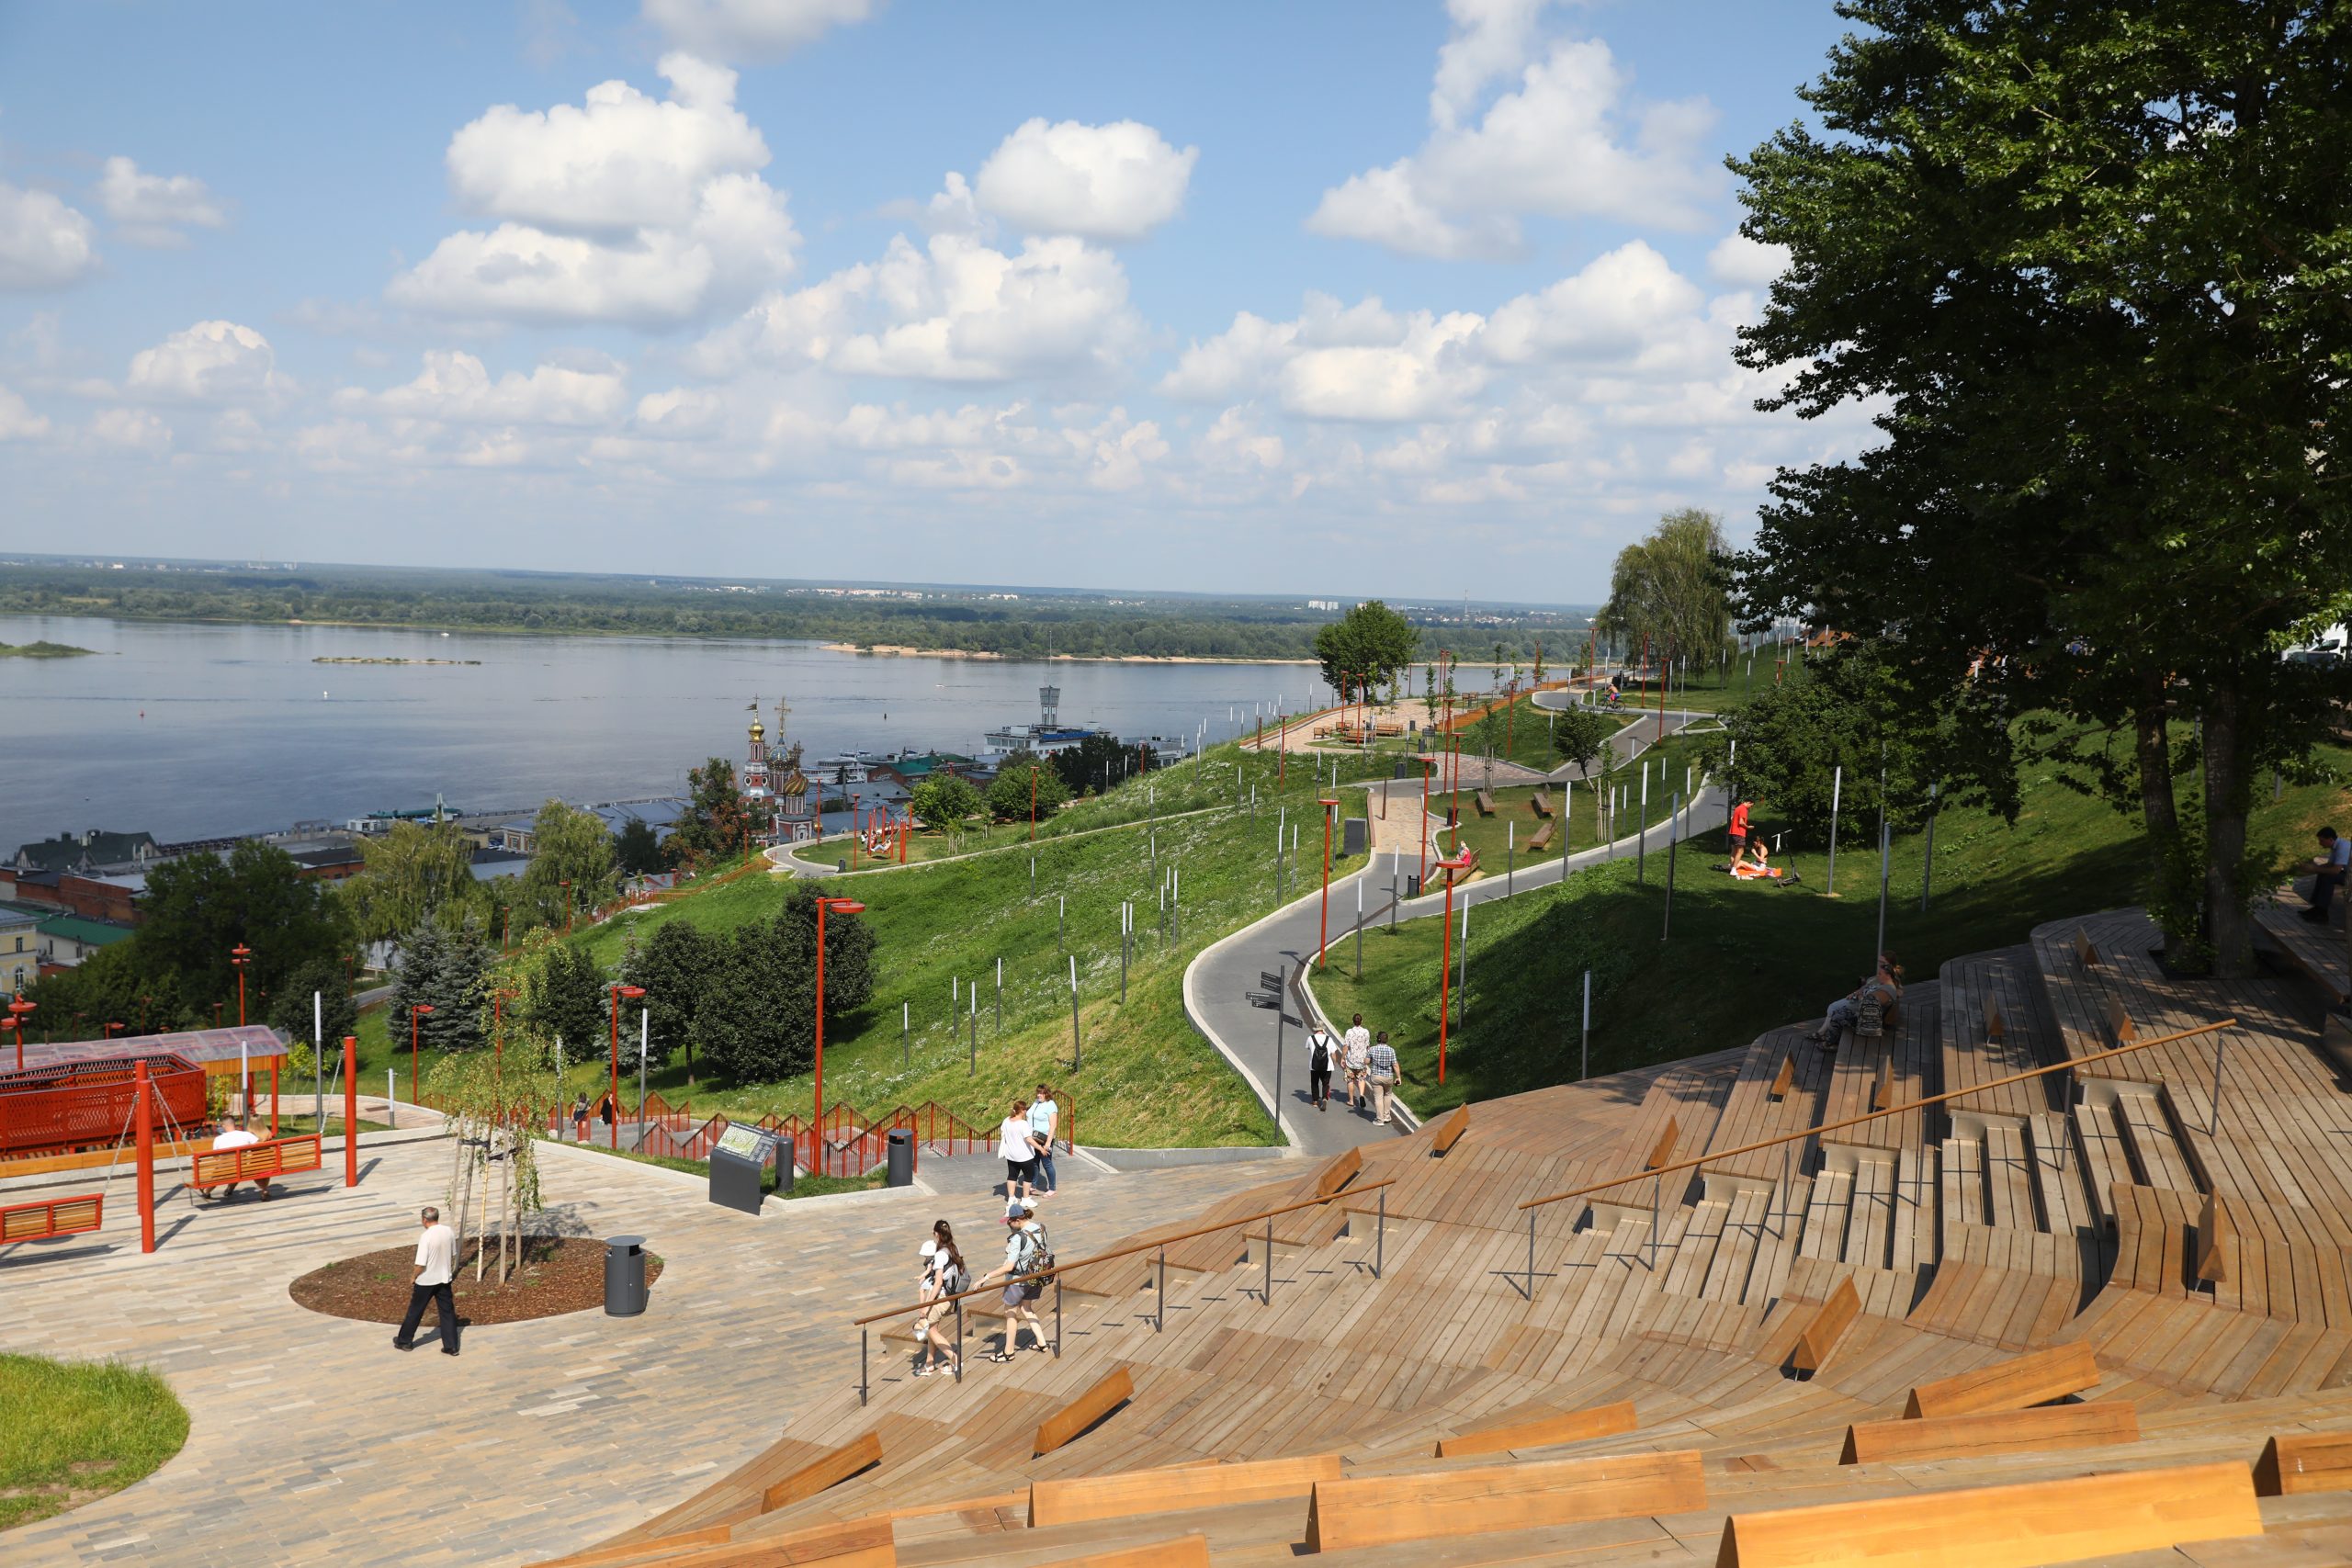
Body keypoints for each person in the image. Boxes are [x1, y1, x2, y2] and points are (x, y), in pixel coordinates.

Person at [975, 1199, 1051, 1360]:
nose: (1008, 1224)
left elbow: (1009, 1267)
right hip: (1036, 1277)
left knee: (1010, 1313)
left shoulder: (1018, 1238)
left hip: (1018, 1281)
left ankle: (1008, 1352)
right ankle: (1042, 1343)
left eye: (1010, 1221)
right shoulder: (1041, 1228)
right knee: (1027, 1308)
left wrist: (986, 1277)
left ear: (1018, 1220)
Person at [392, 1205, 461, 1356]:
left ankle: (405, 1341)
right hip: (444, 1279)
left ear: (424, 1220)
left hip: (426, 1281)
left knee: (415, 1311)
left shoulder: (426, 1236)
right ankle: (451, 1346)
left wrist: (413, 1276)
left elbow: (420, 1264)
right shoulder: (448, 1231)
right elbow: (453, 1253)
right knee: (447, 1312)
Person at [1808, 954, 1904, 1050]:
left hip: (1867, 1019)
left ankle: (1831, 1043)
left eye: (1880, 974)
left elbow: (1869, 1005)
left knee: (1837, 1015)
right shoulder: (1884, 984)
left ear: (1888, 976)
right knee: (1837, 1013)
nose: (1877, 976)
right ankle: (1830, 1040)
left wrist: (1860, 996)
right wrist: (1858, 993)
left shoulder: (1887, 991)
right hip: (1862, 1011)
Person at [913, 1219, 966, 1378]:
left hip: (941, 1298)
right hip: (952, 1296)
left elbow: (937, 1283)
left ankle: (956, 1361)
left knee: (929, 1329)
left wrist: (926, 1306)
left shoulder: (940, 1255)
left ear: (936, 1234)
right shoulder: (954, 1248)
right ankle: (929, 1364)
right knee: (932, 1330)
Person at [209, 1115, 269, 1201]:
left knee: (218, 1173)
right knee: (239, 1169)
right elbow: (260, 1146)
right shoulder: (246, 1135)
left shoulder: (218, 1139)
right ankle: (264, 1189)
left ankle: (207, 1192)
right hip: (242, 1168)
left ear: (223, 1126)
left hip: (225, 1169)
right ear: (234, 1124)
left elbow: (215, 1158)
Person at [2305, 827, 2351, 924]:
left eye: (2322, 841)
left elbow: (2335, 870)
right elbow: (2330, 865)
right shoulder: (2336, 845)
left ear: (2330, 839)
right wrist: (2312, 868)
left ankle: (2322, 914)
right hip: (2349, 874)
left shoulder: (2343, 847)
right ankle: (2317, 908)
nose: (2320, 843)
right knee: (2323, 874)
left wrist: (2314, 869)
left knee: (2329, 878)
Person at [997, 1098, 1036, 1201]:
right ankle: (1026, 1198)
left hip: (1011, 1155)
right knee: (1028, 1177)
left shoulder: (1006, 1120)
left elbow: (1003, 1132)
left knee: (1012, 1176)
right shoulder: (1023, 1124)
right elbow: (1029, 1139)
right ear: (1022, 1111)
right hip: (1024, 1156)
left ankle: (1011, 1198)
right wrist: (1041, 1148)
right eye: (1025, 1109)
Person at [1027, 1084, 1059, 1198]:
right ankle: (1034, 1185)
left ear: (1047, 1093)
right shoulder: (1036, 1103)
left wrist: (1047, 1143)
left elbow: (1053, 1125)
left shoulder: (1051, 1105)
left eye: (1041, 1093)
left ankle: (1052, 1188)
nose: (1038, 1095)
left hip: (1044, 1138)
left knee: (1047, 1163)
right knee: (1034, 1163)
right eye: (1038, 1092)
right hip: (1033, 1137)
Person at [1367, 1032, 1400, 1125]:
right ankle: (1387, 1116)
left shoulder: (1372, 1049)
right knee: (1388, 1095)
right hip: (1388, 1077)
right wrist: (1398, 1078)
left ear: (1378, 1039)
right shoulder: (1391, 1050)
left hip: (1376, 1077)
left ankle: (1380, 1120)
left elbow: (1366, 1061)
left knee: (1378, 1098)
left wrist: (1369, 1055)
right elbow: (1395, 1065)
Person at [1341, 1015, 1373, 1111]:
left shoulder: (1349, 1032)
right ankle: (1362, 1095)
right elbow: (1368, 1046)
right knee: (1361, 1079)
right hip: (1362, 1061)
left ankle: (1351, 1100)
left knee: (1350, 1080)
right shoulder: (1366, 1032)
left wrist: (1343, 1058)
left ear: (1353, 1021)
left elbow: (1346, 1046)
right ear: (1361, 1021)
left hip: (1351, 1061)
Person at [1306, 1021, 1336, 1111]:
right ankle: (1324, 1098)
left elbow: (1308, 1048)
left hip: (1314, 1065)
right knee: (1325, 1083)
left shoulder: (1310, 1038)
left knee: (1314, 1083)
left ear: (1315, 1029)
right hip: (1327, 1066)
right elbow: (1333, 1053)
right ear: (1323, 1029)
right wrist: (1334, 1063)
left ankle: (1315, 1101)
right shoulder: (1329, 1039)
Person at [1727, 799, 1753, 868]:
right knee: (1740, 851)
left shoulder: (1737, 808)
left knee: (1734, 851)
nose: (1750, 807)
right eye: (1751, 805)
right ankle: (1734, 869)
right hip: (1739, 833)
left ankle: (1732, 867)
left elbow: (1732, 818)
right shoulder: (1744, 809)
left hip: (1732, 832)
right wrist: (1748, 827)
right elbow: (1741, 822)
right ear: (1748, 802)